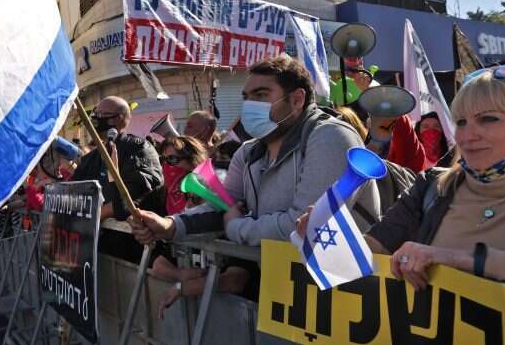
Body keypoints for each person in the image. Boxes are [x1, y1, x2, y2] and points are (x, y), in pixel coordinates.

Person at [300, 64, 505, 290]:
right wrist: (328, 241)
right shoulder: (432, 187)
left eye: (488, 119)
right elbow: (372, 253)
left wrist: (467, 260)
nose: (467, 134)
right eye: (461, 122)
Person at [130, 56, 381, 310]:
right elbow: (222, 206)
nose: (250, 105)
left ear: (297, 100)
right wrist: (170, 225)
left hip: (346, 300)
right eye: (247, 97)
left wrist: (237, 227)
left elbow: (303, 228)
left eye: (261, 95)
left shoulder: (330, 137)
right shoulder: (248, 152)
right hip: (285, 298)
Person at [72, 96, 164, 261]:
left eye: (101, 114)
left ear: (118, 119)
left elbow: (130, 198)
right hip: (97, 248)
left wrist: (94, 215)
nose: (95, 118)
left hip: (133, 250)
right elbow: (72, 190)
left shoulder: (138, 149)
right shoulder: (91, 158)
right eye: (95, 113)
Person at [159, 135, 208, 215]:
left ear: (191, 157)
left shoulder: (205, 184)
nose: (167, 164)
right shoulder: (167, 189)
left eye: (172, 159)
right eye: (163, 159)